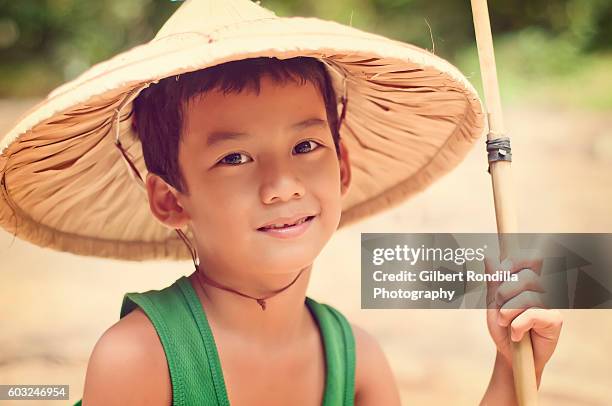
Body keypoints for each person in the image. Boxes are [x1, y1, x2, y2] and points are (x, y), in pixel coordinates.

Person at [0, 1, 562, 405]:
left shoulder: (356, 361)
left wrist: (514, 370)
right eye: (235, 159)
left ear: (341, 165)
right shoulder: (139, 361)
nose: (282, 185)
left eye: (305, 146)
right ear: (171, 200)